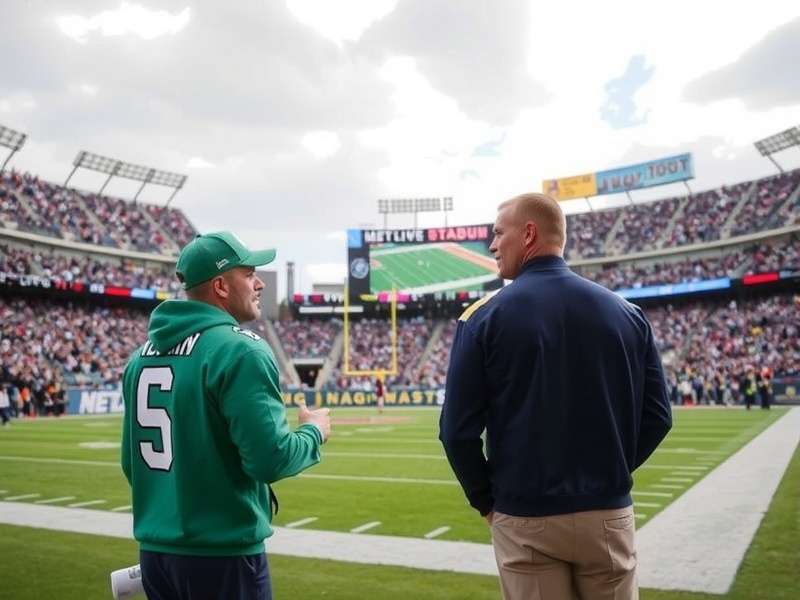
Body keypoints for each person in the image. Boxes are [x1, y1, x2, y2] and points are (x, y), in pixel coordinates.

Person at [439, 193, 672, 600]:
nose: (492, 245)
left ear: (528, 234)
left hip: (526, 515)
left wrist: (487, 502)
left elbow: (456, 432)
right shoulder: (628, 314)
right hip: (607, 512)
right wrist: (607, 473)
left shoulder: (482, 319)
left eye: (498, 234)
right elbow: (658, 416)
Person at [121, 232, 331, 600]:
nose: (260, 282)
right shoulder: (239, 350)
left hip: (155, 556)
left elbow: (131, 465)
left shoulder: (140, 357)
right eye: (249, 274)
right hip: (222, 557)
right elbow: (271, 459)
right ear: (220, 285)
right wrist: (314, 432)